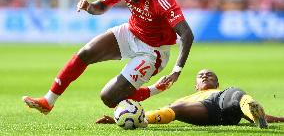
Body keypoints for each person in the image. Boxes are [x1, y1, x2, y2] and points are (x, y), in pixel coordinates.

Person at [22, 0, 194, 114]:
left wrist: (176, 71)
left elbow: (187, 34)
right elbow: (102, 6)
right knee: (86, 53)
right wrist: (89, 6)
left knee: (109, 97)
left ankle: (156, 89)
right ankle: (48, 101)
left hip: (153, 52)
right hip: (131, 32)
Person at [96, 69, 284, 129]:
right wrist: (116, 120)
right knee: (175, 108)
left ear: (216, 81)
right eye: (201, 76)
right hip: (205, 110)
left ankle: (255, 116)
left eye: (209, 75)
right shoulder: (187, 98)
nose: (204, 76)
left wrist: (280, 119)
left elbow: (235, 98)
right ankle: (141, 122)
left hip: (225, 103)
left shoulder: (225, 91)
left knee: (238, 95)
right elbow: (164, 112)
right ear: (196, 85)